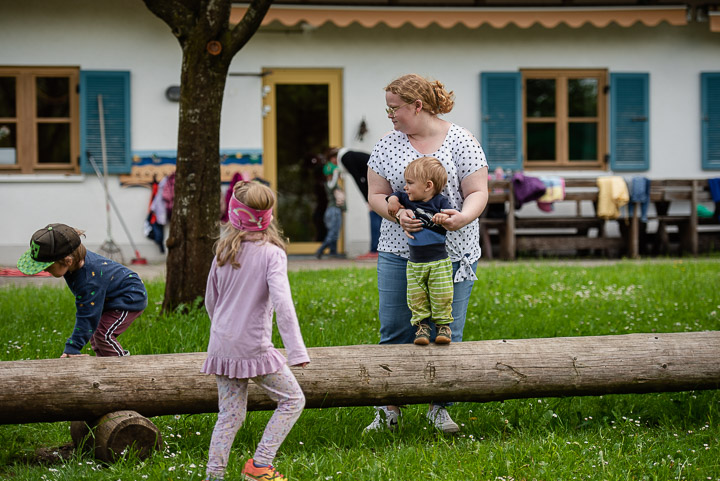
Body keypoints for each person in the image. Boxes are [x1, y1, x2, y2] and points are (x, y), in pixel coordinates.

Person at [366, 73, 489, 433]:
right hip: (397, 252)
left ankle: (440, 407)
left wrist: (462, 217)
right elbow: (376, 193)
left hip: (454, 252)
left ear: (418, 106)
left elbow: (478, 191)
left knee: (446, 329)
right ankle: (389, 408)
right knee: (394, 329)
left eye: (395, 108)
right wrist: (395, 212)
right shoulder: (387, 145)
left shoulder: (462, 140)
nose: (390, 115)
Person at [202, 181, 310, 481]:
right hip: (253, 346)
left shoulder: (222, 252)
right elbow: (283, 304)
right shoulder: (272, 254)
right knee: (292, 400)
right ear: (269, 216)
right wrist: (296, 350)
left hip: (222, 345)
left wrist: (224, 331)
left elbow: (211, 301)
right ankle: (260, 465)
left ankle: (214, 476)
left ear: (233, 216)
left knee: (229, 416)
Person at [16, 224, 147, 357]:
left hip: (129, 296)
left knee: (103, 335)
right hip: (109, 295)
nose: (44, 270)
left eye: (47, 266)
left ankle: (123, 369)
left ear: (67, 261)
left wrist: (72, 348)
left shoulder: (88, 280)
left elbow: (87, 315)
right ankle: (104, 368)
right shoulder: (74, 261)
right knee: (95, 335)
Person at [386, 156, 454, 345]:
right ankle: (421, 327)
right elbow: (395, 195)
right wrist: (392, 202)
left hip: (439, 262)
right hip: (415, 264)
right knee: (416, 297)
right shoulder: (407, 200)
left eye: (409, 183)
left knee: (442, 294)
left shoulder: (441, 202)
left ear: (428, 185)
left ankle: (443, 326)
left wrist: (443, 218)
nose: (405, 187)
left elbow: (450, 218)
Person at [326, 147, 382, 260]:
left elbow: (359, 179)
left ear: (333, 158)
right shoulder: (351, 156)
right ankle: (376, 249)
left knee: (374, 215)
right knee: (378, 215)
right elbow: (364, 177)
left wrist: (369, 200)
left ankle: (374, 250)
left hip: (379, 179)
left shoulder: (346, 157)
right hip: (379, 180)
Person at [315, 152, 346, 259]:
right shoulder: (329, 183)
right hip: (333, 210)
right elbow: (332, 185)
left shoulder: (330, 183)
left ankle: (333, 252)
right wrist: (336, 173)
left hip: (333, 210)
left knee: (335, 231)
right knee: (333, 232)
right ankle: (321, 250)